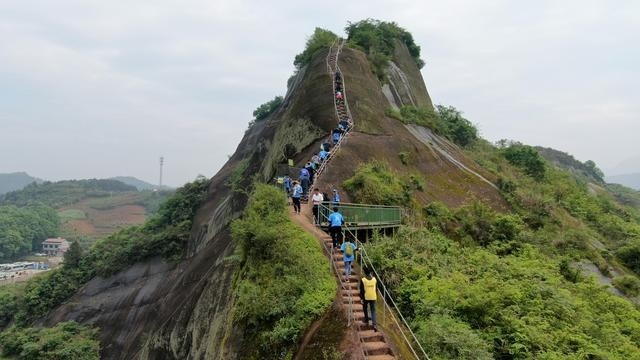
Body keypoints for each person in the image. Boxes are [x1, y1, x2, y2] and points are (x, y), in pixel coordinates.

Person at [359, 267, 378, 331]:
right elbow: (376, 289)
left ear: (365, 272)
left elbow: (361, 290)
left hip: (366, 297)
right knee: (373, 310)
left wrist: (361, 298)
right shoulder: (374, 279)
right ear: (370, 272)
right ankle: (374, 324)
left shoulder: (363, 280)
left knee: (365, 307)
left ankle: (366, 319)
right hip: (373, 296)